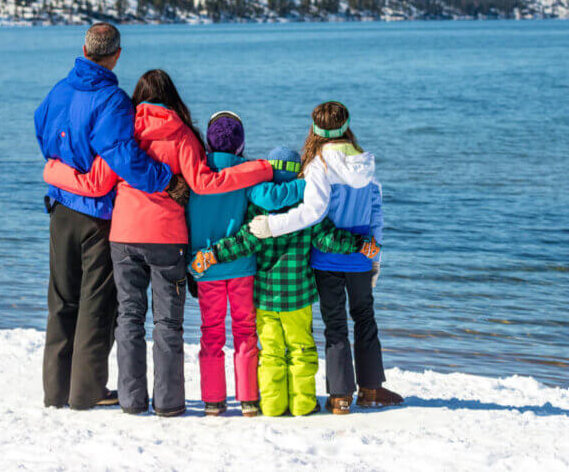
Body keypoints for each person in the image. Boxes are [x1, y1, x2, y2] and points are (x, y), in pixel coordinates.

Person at [43, 70, 273, 417]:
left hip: (124, 236)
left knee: (129, 319)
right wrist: (262, 169)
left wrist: (52, 170)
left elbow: (96, 183)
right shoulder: (182, 135)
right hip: (167, 239)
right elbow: (205, 183)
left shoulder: (121, 132)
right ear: (172, 97)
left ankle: (132, 400)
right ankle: (168, 403)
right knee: (167, 324)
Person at [33, 23, 181, 410]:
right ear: (116, 55)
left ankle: (56, 391)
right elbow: (124, 157)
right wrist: (166, 179)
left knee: (62, 301)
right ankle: (86, 392)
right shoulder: (112, 100)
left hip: (60, 210)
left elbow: (41, 132)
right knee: (96, 304)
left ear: (84, 49)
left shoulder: (58, 91)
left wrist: (65, 169)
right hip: (96, 216)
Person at [190, 146, 381, 417]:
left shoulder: (258, 206)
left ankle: (272, 405)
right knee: (301, 349)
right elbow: (327, 238)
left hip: (265, 297)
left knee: (271, 352)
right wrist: (360, 244)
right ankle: (303, 404)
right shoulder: (308, 205)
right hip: (298, 295)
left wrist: (213, 254)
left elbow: (244, 242)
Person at [247, 102, 403, 414]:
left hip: (326, 255)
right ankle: (371, 389)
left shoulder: (318, 165)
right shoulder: (364, 162)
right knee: (365, 318)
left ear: (315, 129)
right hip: (360, 253)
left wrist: (272, 226)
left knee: (335, 323)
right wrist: (376, 256)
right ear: (346, 125)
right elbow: (376, 212)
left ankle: (340, 396)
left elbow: (312, 213)